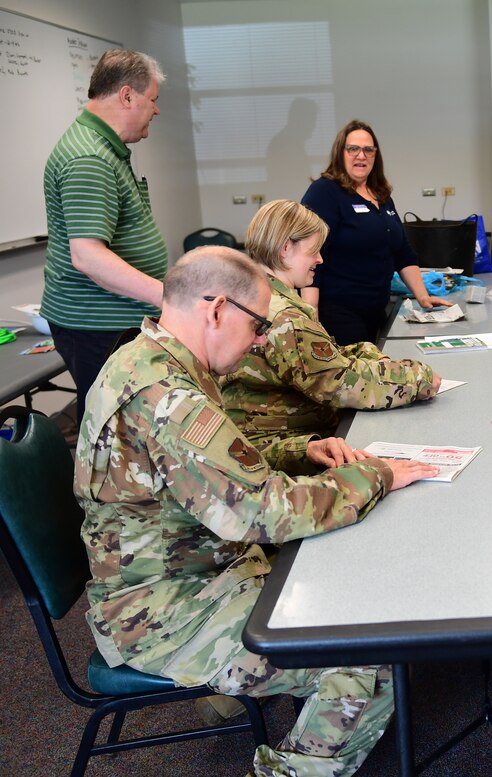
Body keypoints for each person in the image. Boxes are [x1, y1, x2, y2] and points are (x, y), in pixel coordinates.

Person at [75, 246, 439, 777]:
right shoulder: (166, 397)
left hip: (203, 572)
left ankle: (243, 697)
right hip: (167, 613)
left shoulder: (156, 361)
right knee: (368, 659)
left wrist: (303, 450)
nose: (263, 339)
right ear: (217, 309)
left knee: (355, 591)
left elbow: (218, 465)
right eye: (259, 325)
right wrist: (377, 474)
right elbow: (266, 514)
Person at [221, 199, 440, 446]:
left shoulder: (255, 293)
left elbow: (323, 359)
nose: (320, 259)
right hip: (289, 445)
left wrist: (367, 351)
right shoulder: (285, 318)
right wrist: (418, 378)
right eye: (313, 251)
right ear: (285, 248)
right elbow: (341, 384)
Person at [41, 48, 168, 423]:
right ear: (127, 95)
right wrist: (168, 298)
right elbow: (88, 257)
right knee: (111, 425)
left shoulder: (107, 149)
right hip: (98, 325)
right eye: (153, 100)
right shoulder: (89, 158)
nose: (156, 110)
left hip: (110, 319)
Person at [300, 119, 451, 345]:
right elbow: (308, 253)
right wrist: (311, 315)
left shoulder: (381, 195)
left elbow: (402, 252)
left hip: (376, 310)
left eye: (368, 150)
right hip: (337, 312)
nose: (361, 155)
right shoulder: (324, 192)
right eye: (353, 149)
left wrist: (422, 296)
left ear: (375, 155)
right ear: (340, 153)